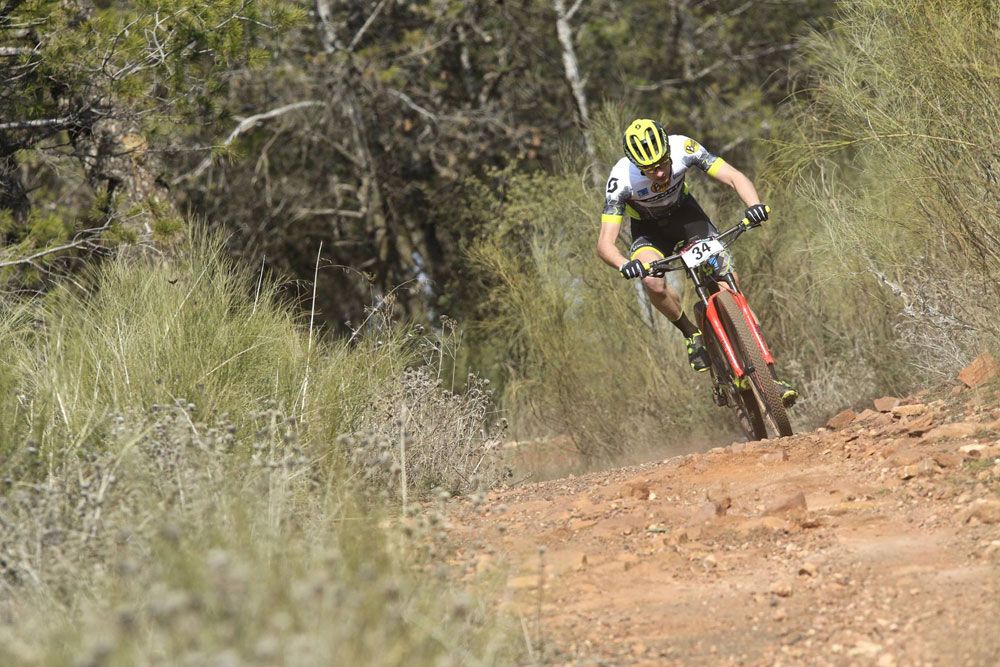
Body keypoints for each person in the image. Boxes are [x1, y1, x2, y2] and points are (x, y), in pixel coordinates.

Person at [596, 118, 797, 407]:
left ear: (668, 150)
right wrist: (623, 263)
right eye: (650, 168)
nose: (659, 172)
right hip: (649, 232)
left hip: (688, 219)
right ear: (636, 165)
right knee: (652, 281)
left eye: (662, 162)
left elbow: (733, 176)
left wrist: (753, 205)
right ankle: (691, 333)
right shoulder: (621, 178)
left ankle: (770, 377)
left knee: (729, 283)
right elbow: (605, 243)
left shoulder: (683, 147)